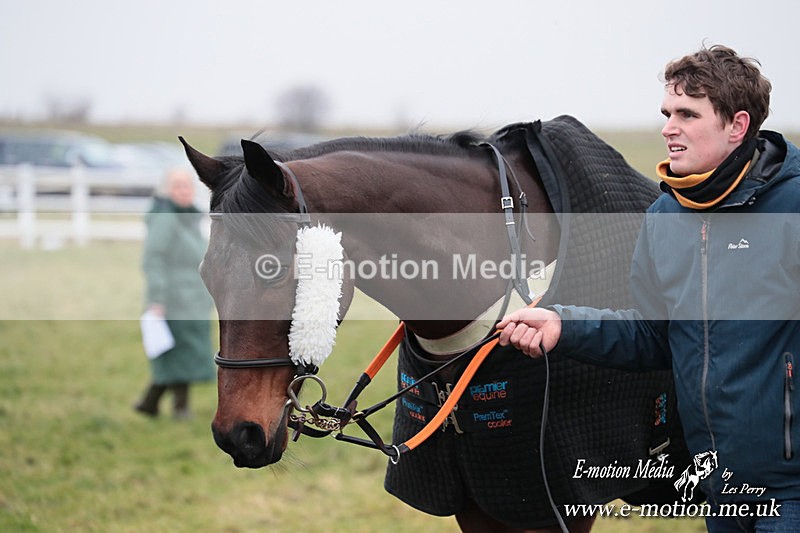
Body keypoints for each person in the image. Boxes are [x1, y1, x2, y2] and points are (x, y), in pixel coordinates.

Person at [498, 45, 800, 531]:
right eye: (666, 113)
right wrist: (562, 325)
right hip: (721, 491)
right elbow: (655, 334)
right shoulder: (665, 218)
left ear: (737, 126)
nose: (668, 128)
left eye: (687, 114)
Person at [134, 167, 215, 419]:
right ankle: (179, 408)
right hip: (174, 298)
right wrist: (157, 299)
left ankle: (150, 403)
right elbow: (153, 259)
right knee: (177, 352)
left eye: (187, 185)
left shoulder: (189, 218)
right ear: (167, 190)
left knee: (183, 352)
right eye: (177, 186)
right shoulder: (166, 218)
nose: (184, 191)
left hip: (194, 299)